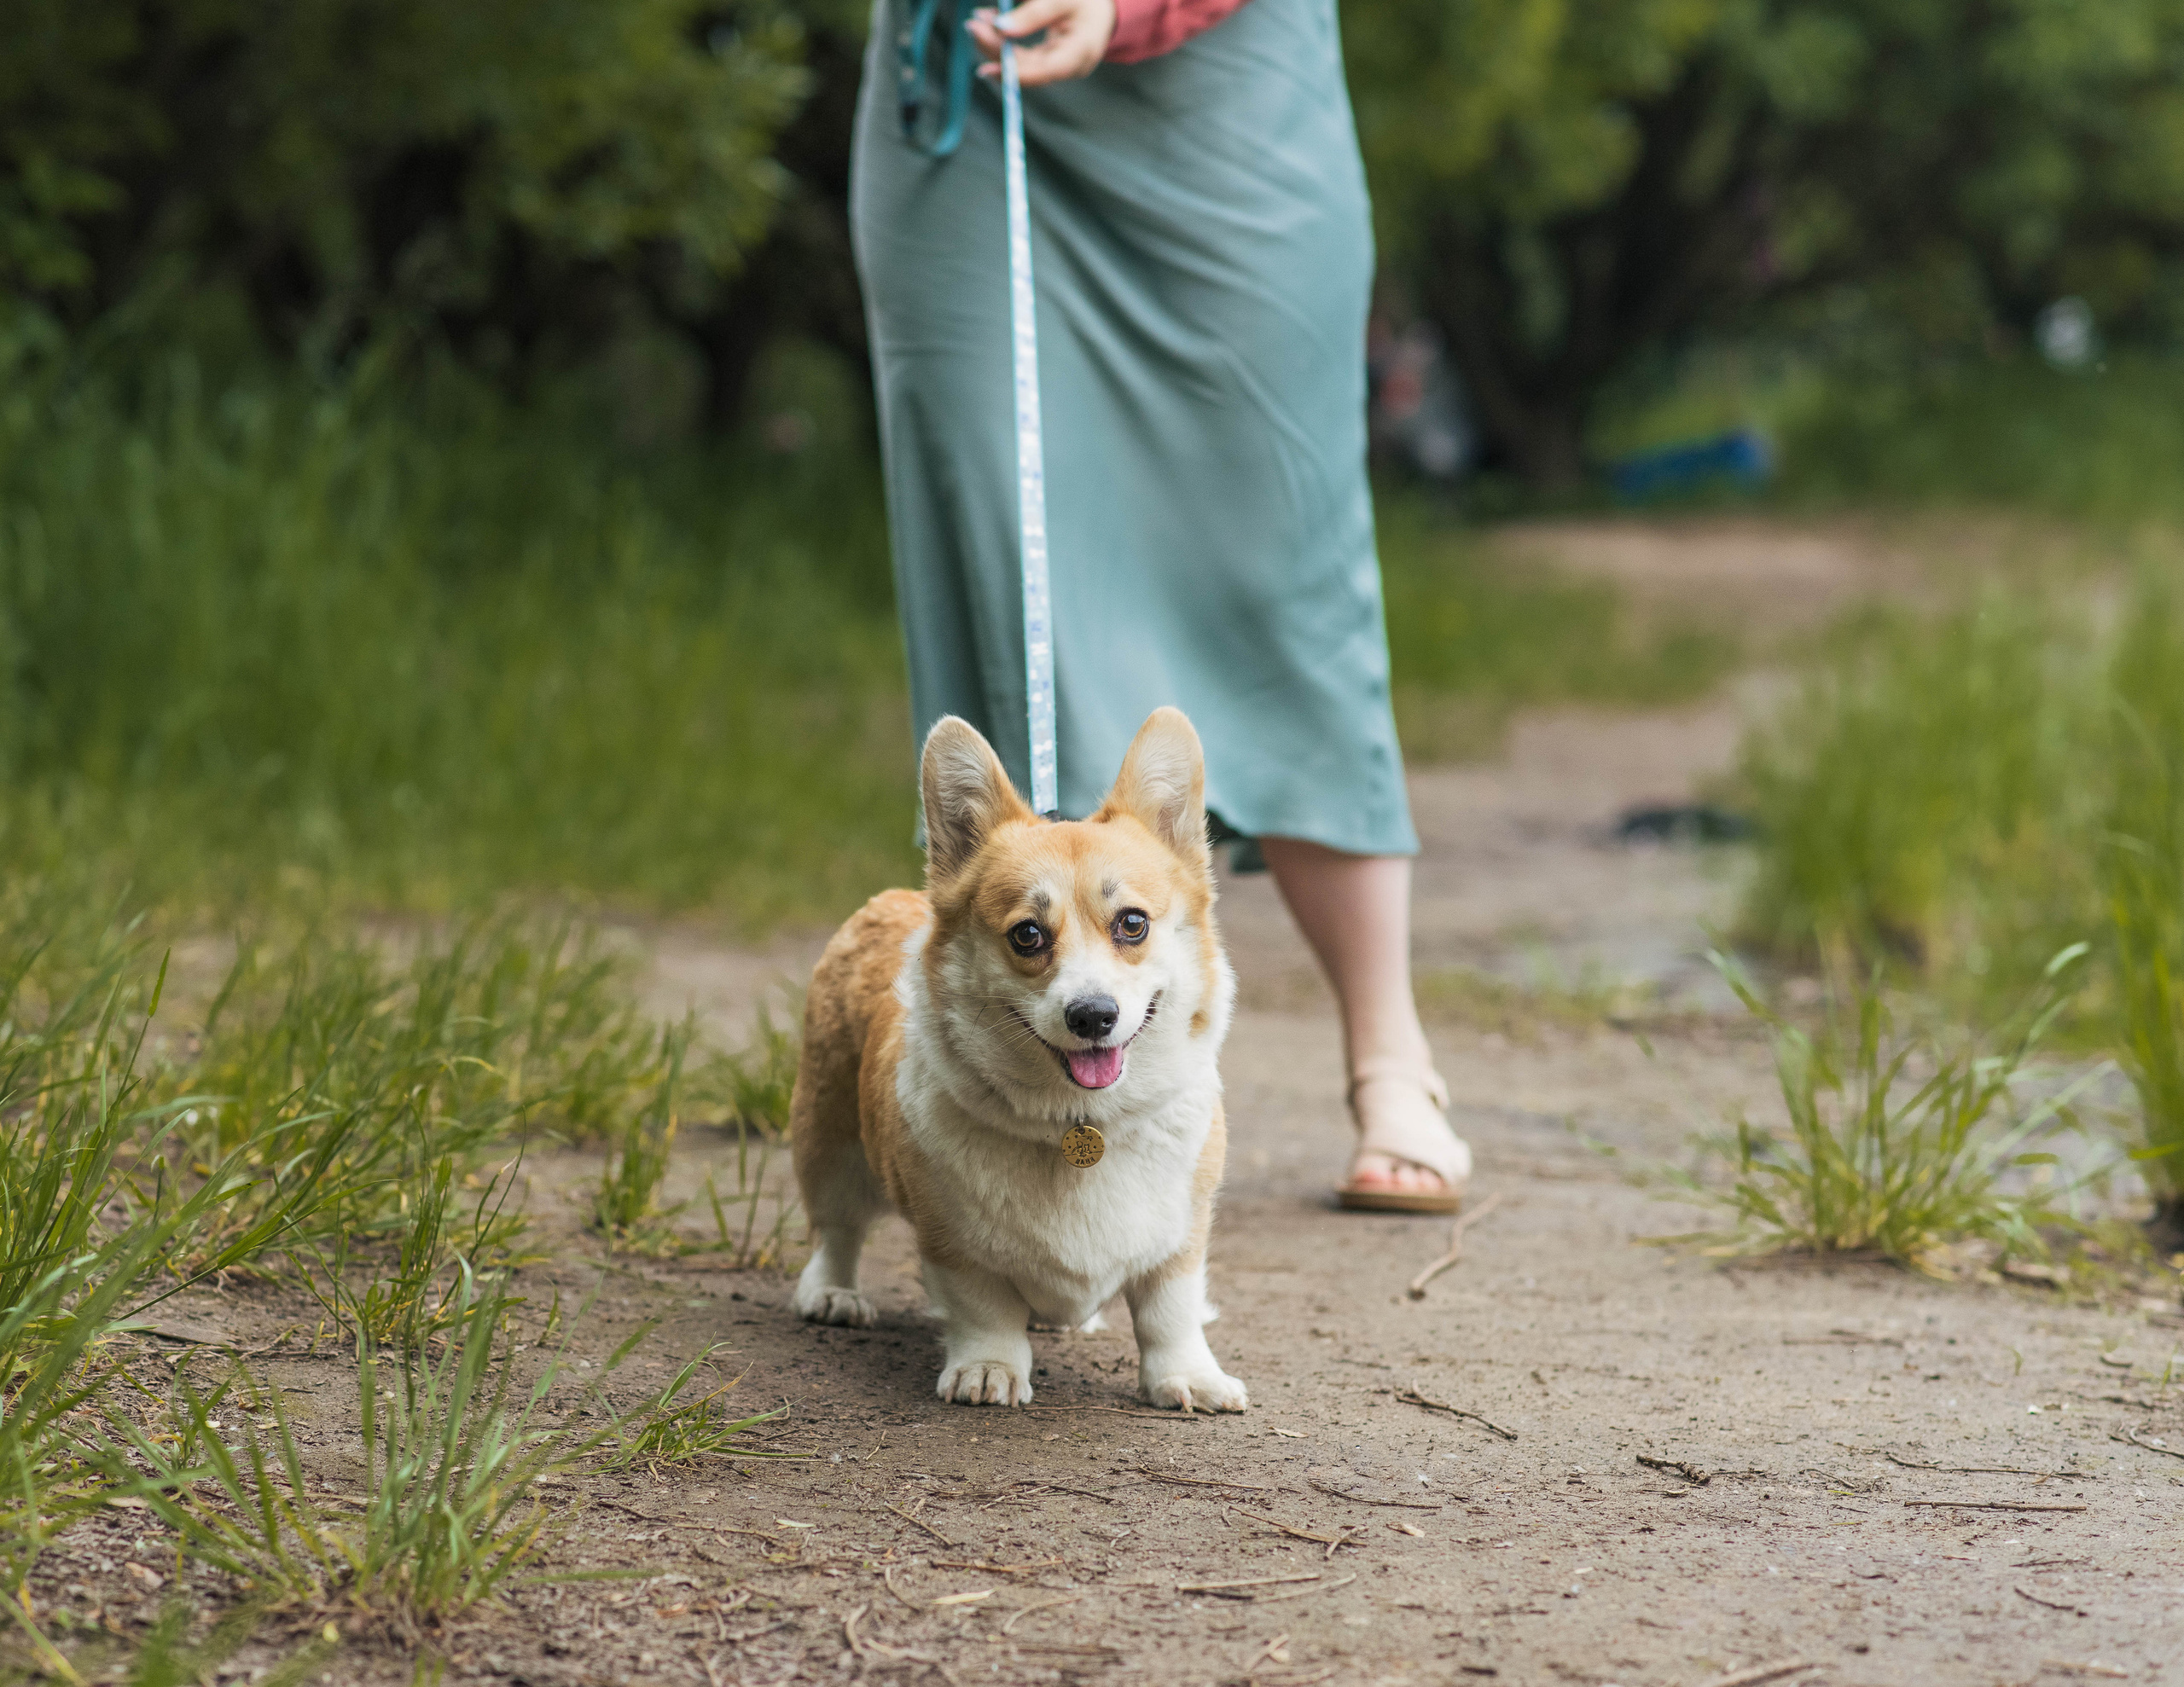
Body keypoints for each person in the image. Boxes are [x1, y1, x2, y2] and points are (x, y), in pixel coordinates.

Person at [852, 0, 1472, 1211]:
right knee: (1008, 535)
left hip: (1225, 94)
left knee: (1282, 567)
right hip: (973, 100)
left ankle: (1390, 1054)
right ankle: (1039, 1099)